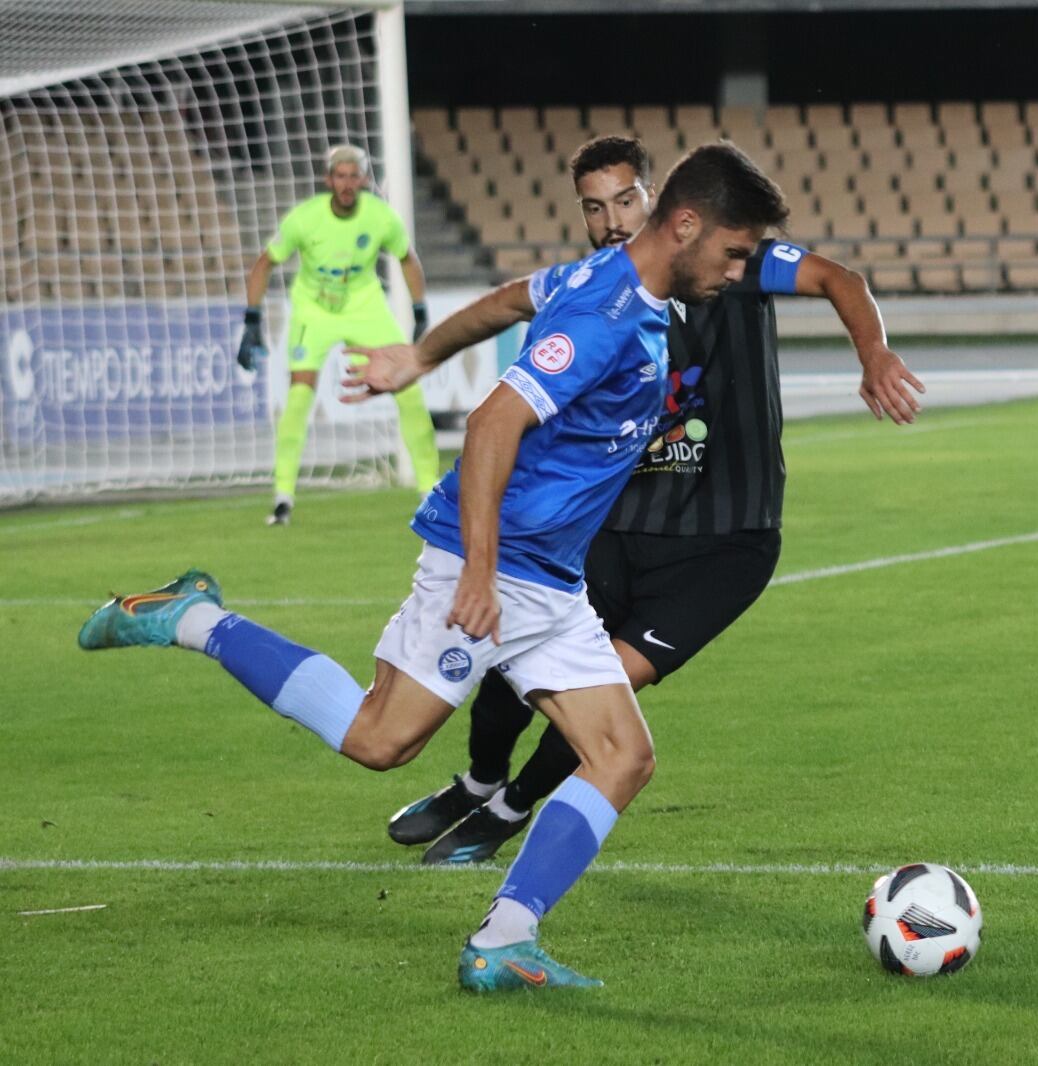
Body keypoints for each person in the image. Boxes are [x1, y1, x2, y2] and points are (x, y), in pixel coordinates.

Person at [78, 143, 791, 991]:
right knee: (380, 740)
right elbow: (493, 424)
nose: (740, 270)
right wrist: (480, 575)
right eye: (736, 251)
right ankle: (188, 617)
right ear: (685, 225)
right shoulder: (605, 313)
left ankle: (501, 943)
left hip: (551, 580)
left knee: (622, 757)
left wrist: (419, 356)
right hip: (490, 560)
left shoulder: (601, 286)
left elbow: (503, 301)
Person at [347, 135, 925, 866]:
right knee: (505, 661)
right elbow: (501, 304)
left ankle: (510, 807)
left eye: (626, 199)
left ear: (664, 204)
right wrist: (422, 356)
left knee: (605, 685)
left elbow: (841, 279)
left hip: (725, 538)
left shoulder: (735, 263)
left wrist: (872, 353)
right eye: (595, 207)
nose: (613, 219)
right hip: (623, 522)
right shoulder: (596, 288)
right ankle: (477, 781)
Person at [238, 144, 439, 526]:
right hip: (314, 308)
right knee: (299, 396)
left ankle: (430, 492)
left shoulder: (381, 217)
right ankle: (283, 498)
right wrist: (251, 320)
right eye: (341, 176)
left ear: (364, 179)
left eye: (354, 176)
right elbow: (264, 264)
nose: (347, 184)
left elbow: (407, 259)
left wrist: (419, 312)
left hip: (364, 304)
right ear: (328, 179)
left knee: (408, 389)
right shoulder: (304, 218)